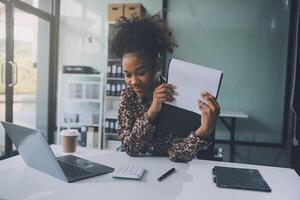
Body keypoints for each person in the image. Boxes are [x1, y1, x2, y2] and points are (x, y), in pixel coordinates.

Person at [111, 15, 220, 162]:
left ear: (156, 65)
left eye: (141, 73)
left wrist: (204, 130)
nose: (133, 81)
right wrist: (152, 112)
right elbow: (130, 147)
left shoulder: (176, 94)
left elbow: (177, 153)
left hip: (172, 173)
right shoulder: (128, 96)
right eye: (127, 74)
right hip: (134, 169)